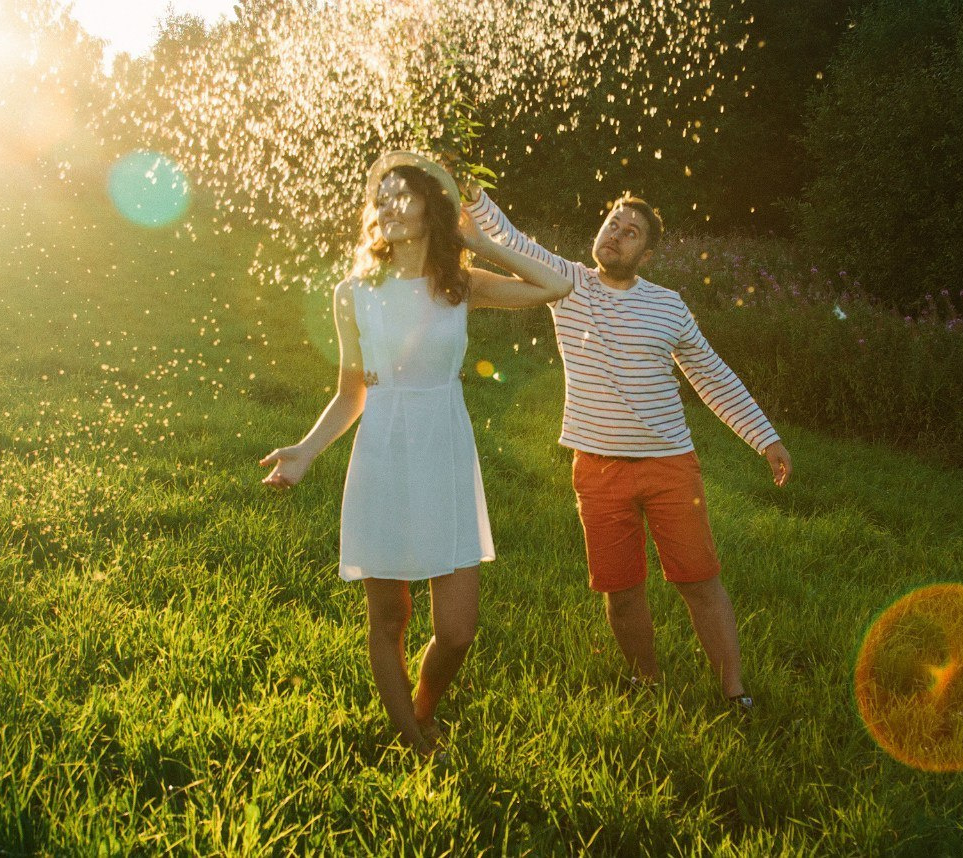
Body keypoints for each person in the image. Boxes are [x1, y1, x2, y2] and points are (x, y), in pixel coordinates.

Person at [260, 152, 572, 756]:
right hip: (383, 453)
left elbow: (555, 287)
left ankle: (423, 707)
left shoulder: (459, 285)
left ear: (434, 209)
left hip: (445, 452)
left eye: (405, 195)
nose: (390, 206)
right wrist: (304, 450)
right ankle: (412, 738)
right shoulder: (353, 293)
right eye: (382, 197)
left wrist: (478, 242)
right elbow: (352, 391)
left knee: (457, 632)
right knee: (390, 618)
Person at [464, 187, 792, 710]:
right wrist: (473, 196)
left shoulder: (667, 305)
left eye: (630, 232)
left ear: (647, 254)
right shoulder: (568, 282)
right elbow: (512, 241)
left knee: (699, 580)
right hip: (596, 468)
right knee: (621, 588)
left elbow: (711, 375)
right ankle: (647, 682)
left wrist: (764, 437)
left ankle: (735, 691)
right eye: (612, 224)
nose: (615, 234)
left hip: (670, 466)